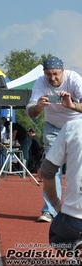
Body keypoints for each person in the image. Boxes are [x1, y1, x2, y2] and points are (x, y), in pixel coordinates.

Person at [26, 56, 82, 222]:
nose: (52, 78)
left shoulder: (74, 79)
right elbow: (30, 111)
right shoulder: (40, 82)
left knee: (77, 167)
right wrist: (38, 106)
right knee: (52, 168)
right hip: (53, 128)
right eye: (48, 74)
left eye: (56, 74)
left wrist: (72, 105)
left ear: (63, 70)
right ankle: (51, 210)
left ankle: (76, 209)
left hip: (76, 126)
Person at [39, 119, 82, 250]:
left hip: (75, 220)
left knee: (56, 236)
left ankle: (76, 247)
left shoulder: (72, 126)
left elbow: (46, 172)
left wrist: (56, 205)